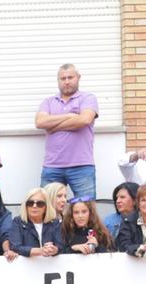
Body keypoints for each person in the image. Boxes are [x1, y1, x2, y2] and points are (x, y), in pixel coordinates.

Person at [36, 64, 99, 200]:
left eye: (70, 77)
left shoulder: (88, 98)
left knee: (86, 209)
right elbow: (40, 122)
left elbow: (84, 120)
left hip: (82, 165)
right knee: (47, 209)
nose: (67, 81)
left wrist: (52, 125)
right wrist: (70, 116)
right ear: (58, 81)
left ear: (78, 78)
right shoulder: (48, 102)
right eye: (63, 78)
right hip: (52, 166)